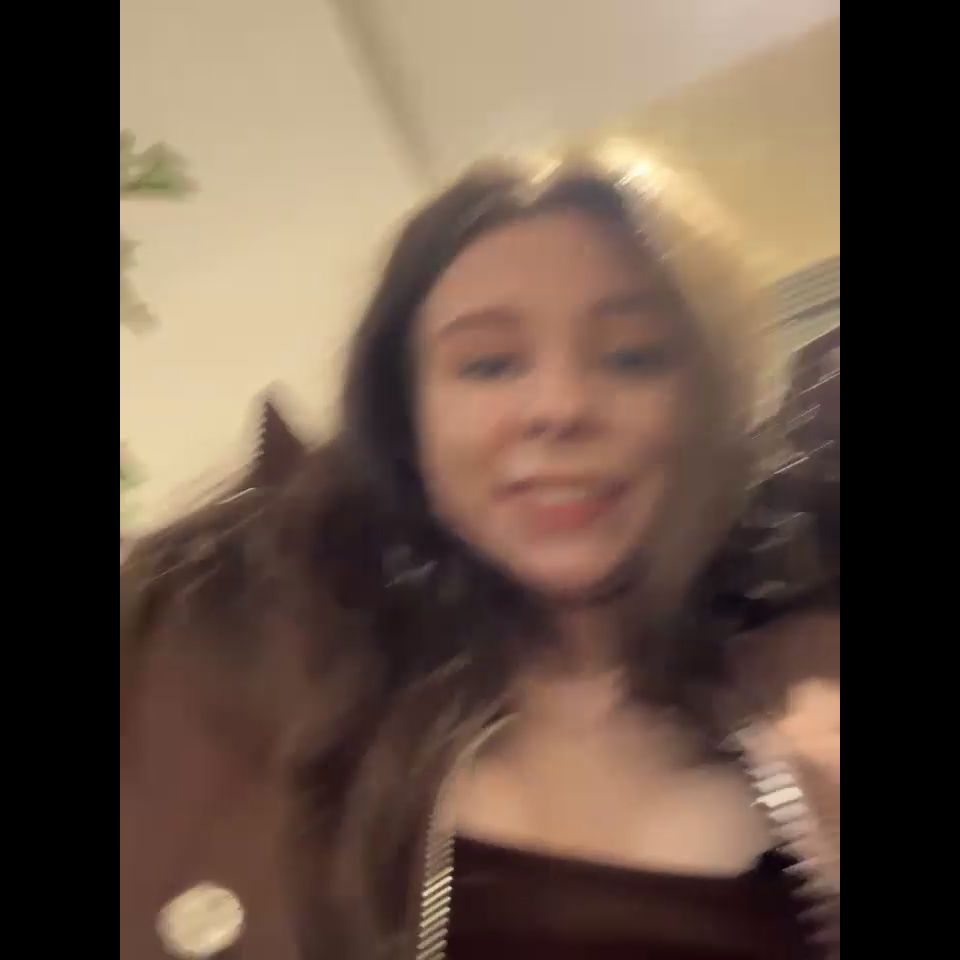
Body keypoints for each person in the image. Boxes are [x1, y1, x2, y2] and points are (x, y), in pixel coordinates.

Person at [120, 142, 839, 960]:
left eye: (631, 355)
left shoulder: (805, 679)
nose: (560, 406)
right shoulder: (281, 705)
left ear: (703, 400)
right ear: (408, 422)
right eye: (489, 363)